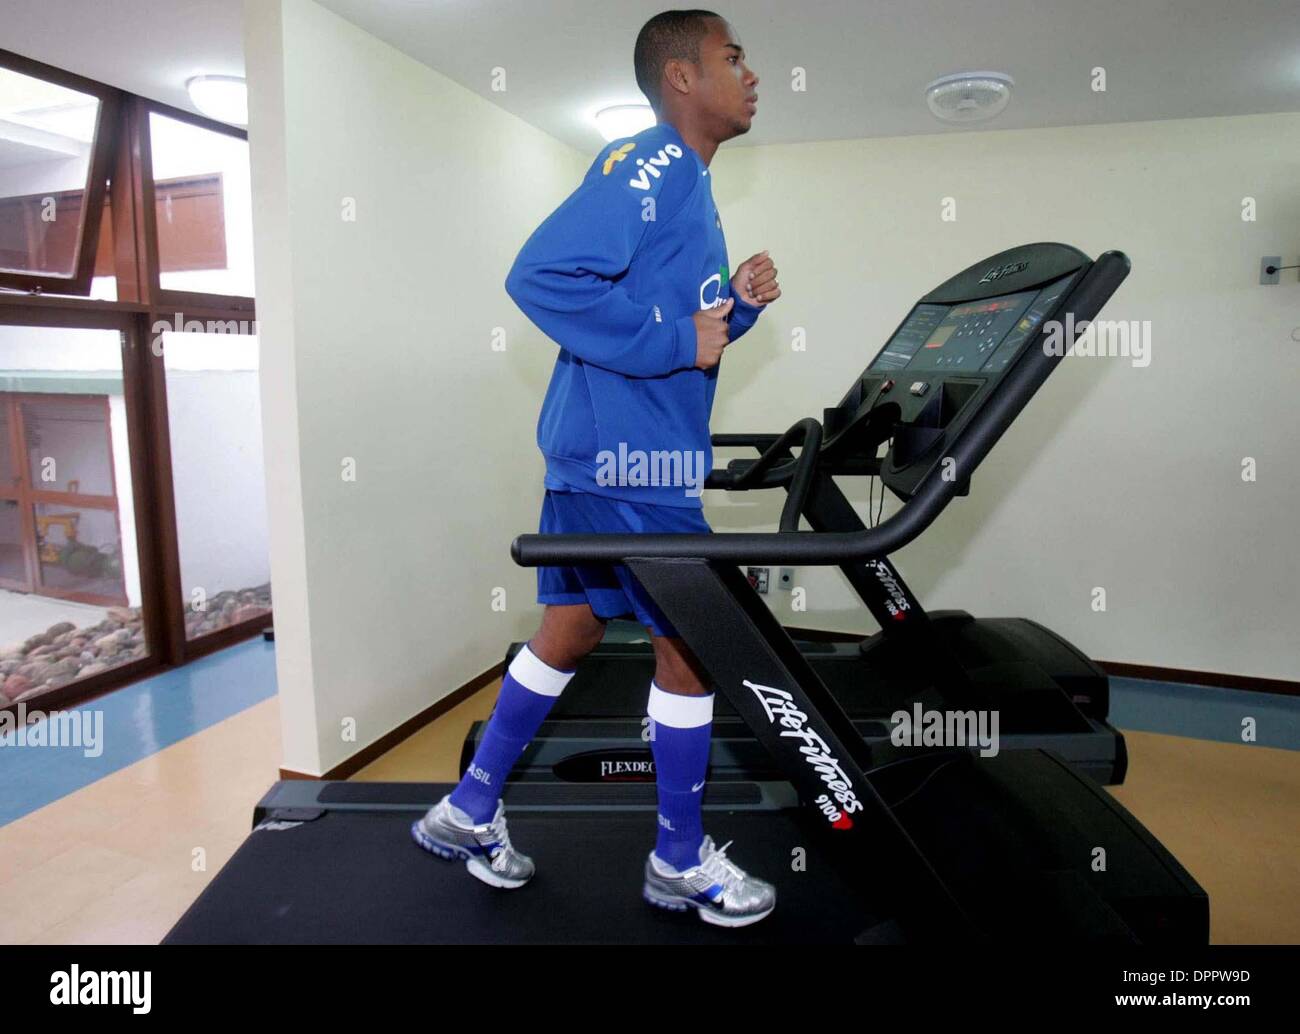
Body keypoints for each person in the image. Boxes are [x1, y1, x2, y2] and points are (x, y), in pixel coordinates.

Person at [413, 9, 782, 928]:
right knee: (692, 649)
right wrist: (674, 334)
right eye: (733, 59)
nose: (753, 74)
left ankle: (467, 810)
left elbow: (683, 333)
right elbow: (541, 274)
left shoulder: (688, 185)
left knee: (571, 631)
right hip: (634, 465)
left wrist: (733, 312)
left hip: (604, 449)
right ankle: (678, 860)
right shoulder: (652, 161)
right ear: (681, 78)